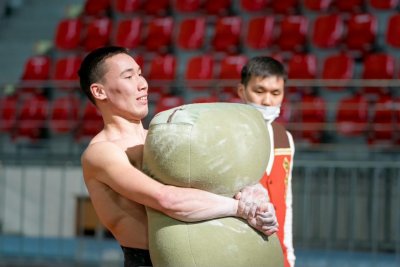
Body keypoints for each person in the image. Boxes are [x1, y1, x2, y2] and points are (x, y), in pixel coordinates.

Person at [78, 46, 279, 267]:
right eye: (128, 76)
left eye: (140, 73)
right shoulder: (101, 152)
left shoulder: (161, 138)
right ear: (99, 91)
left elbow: (223, 180)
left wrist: (255, 198)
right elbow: (167, 199)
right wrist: (241, 209)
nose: (142, 84)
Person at [237, 56, 296, 267]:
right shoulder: (228, 135)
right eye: (259, 91)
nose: (268, 101)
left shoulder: (285, 138)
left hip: (275, 252)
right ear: (242, 91)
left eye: (275, 93)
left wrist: (288, 255)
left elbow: (285, 202)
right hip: (236, 250)